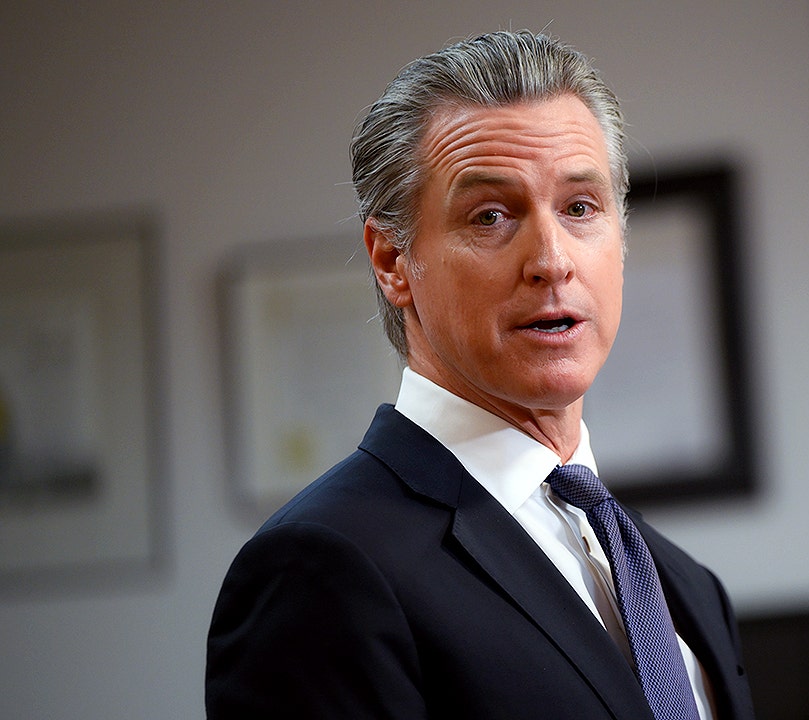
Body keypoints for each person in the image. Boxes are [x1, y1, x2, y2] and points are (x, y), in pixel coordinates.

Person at [205, 30, 756, 720]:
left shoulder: (687, 587)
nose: (551, 260)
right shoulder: (319, 570)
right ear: (392, 261)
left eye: (579, 208)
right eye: (491, 216)